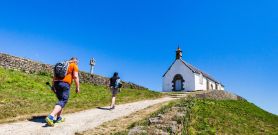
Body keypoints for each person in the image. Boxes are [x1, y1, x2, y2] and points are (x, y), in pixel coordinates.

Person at [45, 57, 80, 126]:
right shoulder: (73, 65)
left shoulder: (63, 64)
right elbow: (75, 76)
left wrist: (53, 86)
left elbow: (55, 76)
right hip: (64, 84)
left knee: (61, 101)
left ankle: (58, 118)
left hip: (56, 83)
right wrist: (77, 87)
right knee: (63, 100)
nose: (77, 64)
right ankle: (51, 117)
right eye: (77, 62)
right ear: (75, 61)